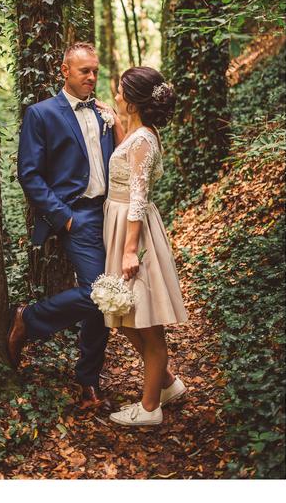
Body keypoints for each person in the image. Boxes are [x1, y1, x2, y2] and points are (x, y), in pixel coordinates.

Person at [7, 42, 123, 408]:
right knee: (98, 293)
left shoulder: (104, 113)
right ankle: (30, 319)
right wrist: (64, 217)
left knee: (106, 301)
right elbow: (29, 173)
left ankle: (88, 379)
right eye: (84, 71)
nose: (92, 77)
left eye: (95, 71)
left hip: (110, 213)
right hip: (78, 216)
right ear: (65, 71)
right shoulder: (41, 114)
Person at [101, 66, 189, 427]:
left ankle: (150, 408)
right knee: (126, 316)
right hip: (122, 224)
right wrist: (115, 121)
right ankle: (166, 383)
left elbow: (137, 197)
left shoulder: (143, 141)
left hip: (133, 230)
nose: (116, 95)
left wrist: (129, 250)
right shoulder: (138, 135)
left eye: (121, 92)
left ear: (134, 102)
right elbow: (129, 158)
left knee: (146, 321)